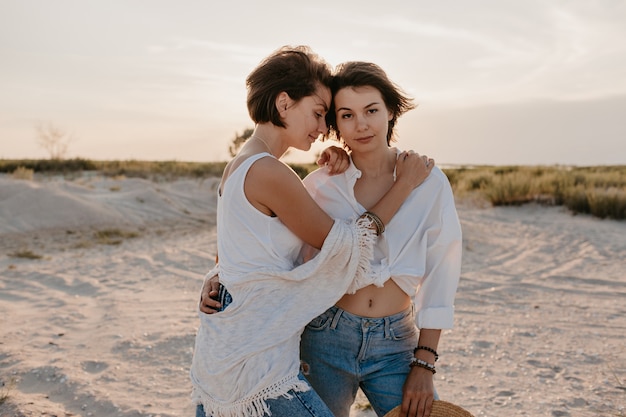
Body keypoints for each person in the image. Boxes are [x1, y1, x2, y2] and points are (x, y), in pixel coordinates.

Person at [190, 45, 433, 417]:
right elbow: (347, 247)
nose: (323, 129)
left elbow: (232, 250)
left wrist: (217, 276)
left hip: (231, 353)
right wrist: (404, 185)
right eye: (319, 114)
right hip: (256, 369)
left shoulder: (239, 165)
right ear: (284, 104)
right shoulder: (269, 172)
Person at [297, 61, 463, 417]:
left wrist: (425, 362)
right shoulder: (322, 185)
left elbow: (442, 272)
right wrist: (217, 277)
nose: (361, 124)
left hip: (396, 342)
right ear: (335, 124)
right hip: (326, 334)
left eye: (371, 110)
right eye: (347, 115)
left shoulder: (429, 183)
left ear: (390, 110)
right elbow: (282, 255)